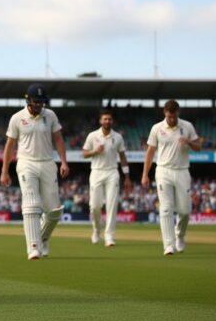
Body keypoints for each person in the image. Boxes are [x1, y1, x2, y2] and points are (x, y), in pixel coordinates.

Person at [0, 83, 69, 260]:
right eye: (36, 102)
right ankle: (33, 247)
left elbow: (59, 139)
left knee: (54, 211)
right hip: (26, 163)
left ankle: (42, 239)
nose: (39, 105)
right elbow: (9, 146)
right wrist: (4, 171)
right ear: (28, 101)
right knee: (31, 204)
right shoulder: (17, 118)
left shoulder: (50, 115)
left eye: (41, 102)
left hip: (47, 163)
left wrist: (63, 162)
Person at [141, 100, 202, 256]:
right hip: (163, 171)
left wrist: (188, 141)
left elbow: (198, 146)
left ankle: (179, 236)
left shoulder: (187, 126)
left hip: (182, 171)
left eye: (174, 117)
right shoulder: (157, 128)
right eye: (169, 117)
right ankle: (168, 245)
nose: (172, 120)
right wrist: (145, 174)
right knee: (166, 208)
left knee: (185, 211)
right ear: (164, 113)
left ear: (178, 113)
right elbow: (150, 152)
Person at [82, 110, 132, 247]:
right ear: (100, 121)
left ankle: (109, 236)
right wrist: (95, 151)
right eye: (105, 119)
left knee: (112, 204)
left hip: (112, 172)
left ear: (112, 121)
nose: (107, 121)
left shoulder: (118, 137)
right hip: (97, 172)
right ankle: (96, 230)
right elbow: (84, 153)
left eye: (109, 119)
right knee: (95, 206)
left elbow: (122, 157)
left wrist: (127, 176)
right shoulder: (93, 136)